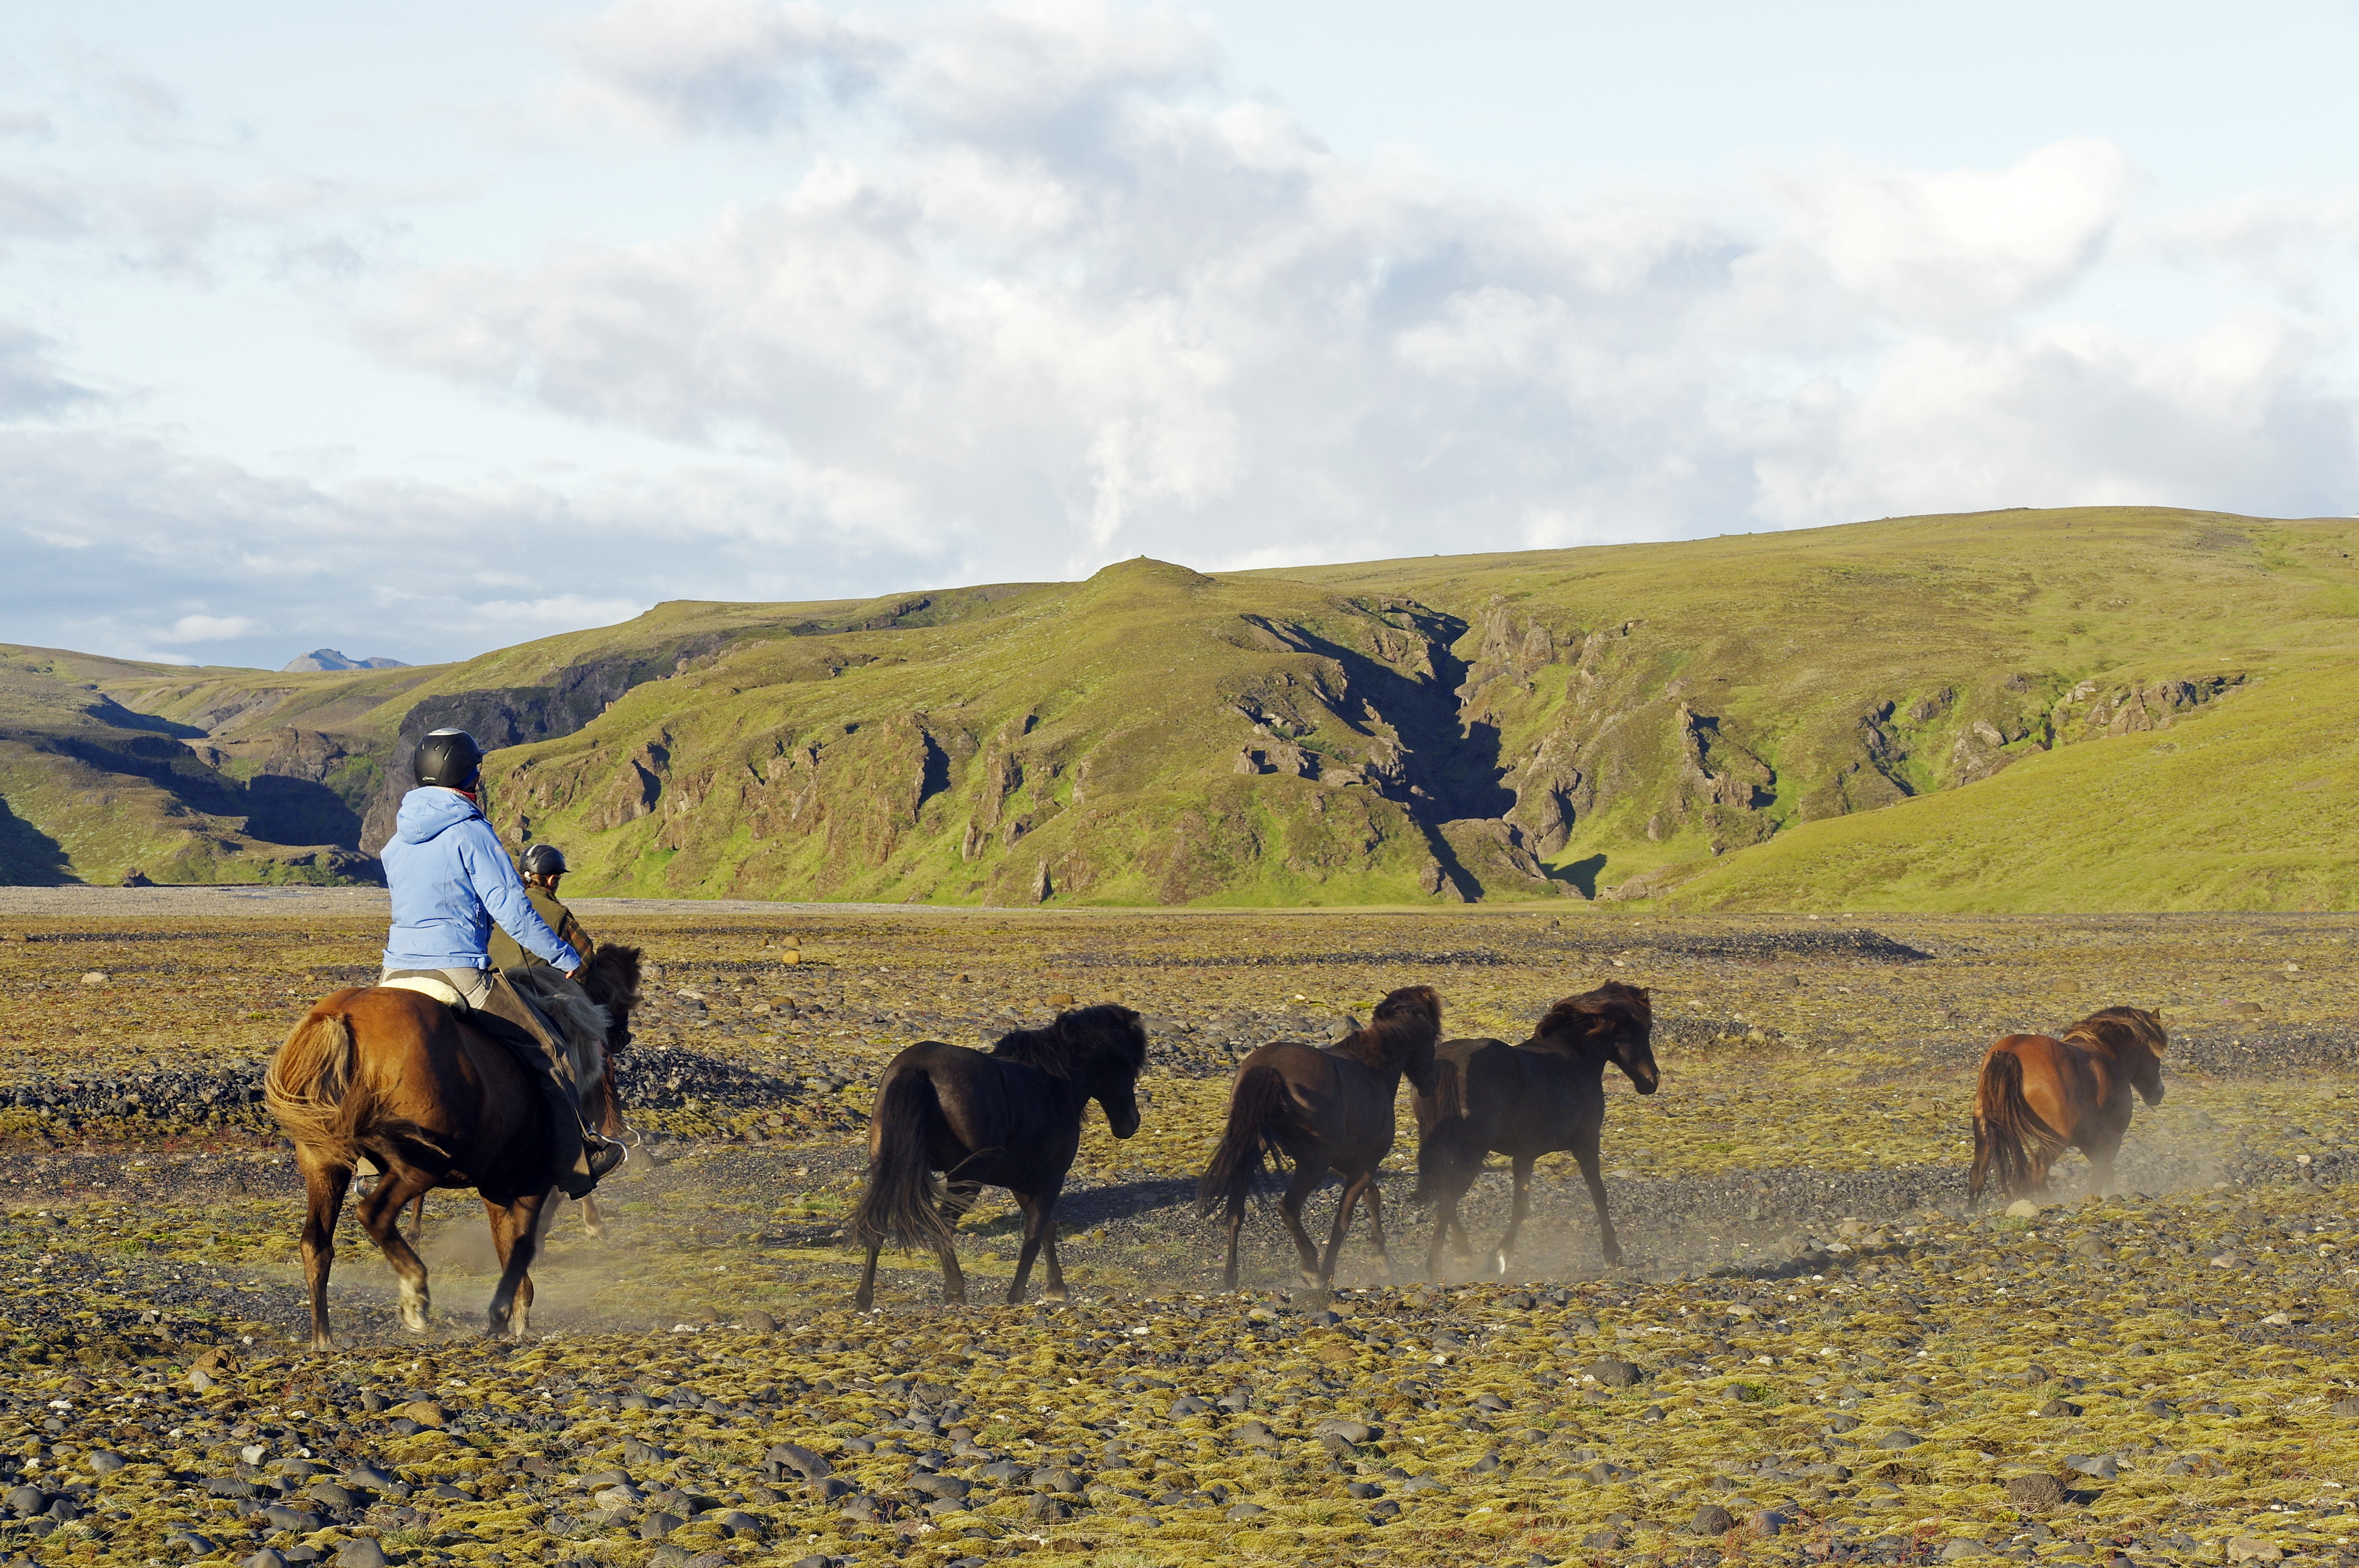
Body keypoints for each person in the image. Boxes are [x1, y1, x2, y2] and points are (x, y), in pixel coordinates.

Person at [379, 727, 623, 1198]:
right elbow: (512, 910)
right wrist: (564, 956)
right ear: (469, 774)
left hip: (395, 974)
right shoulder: (472, 831)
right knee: (549, 1049)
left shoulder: (396, 842)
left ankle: (372, 1172)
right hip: (458, 970)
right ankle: (579, 1157)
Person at [490, 843, 593, 976]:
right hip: (531, 992)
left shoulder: (499, 903)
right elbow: (586, 966)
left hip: (489, 983)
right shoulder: (559, 914)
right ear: (551, 880)